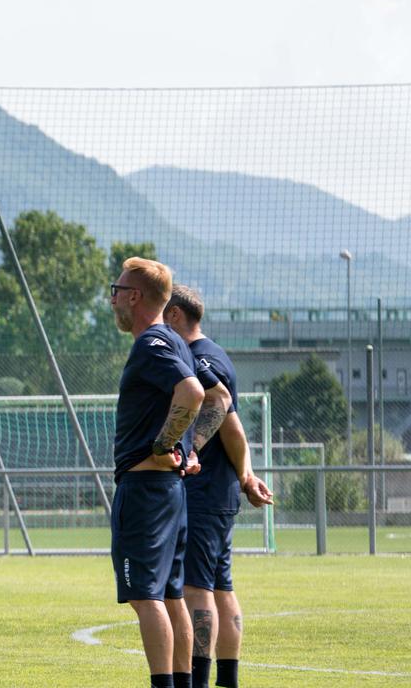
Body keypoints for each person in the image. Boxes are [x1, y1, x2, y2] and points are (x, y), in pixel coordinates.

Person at [109, 258, 232, 688]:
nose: (113, 298)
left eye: (117, 290)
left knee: (146, 597)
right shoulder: (178, 343)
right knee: (171, 595)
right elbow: (220, 397)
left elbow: (197, 393)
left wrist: (167, 444)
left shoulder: (152, 344)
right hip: (169, 490)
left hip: (145, 489)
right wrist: (190, 446)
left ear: (135, 297)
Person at [164, 285, 274, 688]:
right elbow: (235, 427)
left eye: (163, 314)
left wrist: (188, 446)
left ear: (175, 315)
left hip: (203, 491)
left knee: (197, 590)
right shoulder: (218, 354)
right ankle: (227, 681)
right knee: (221, 587)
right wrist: (246, 476)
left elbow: (220, 404)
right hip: (222, 490)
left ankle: (198, 679)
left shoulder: (195, 358)